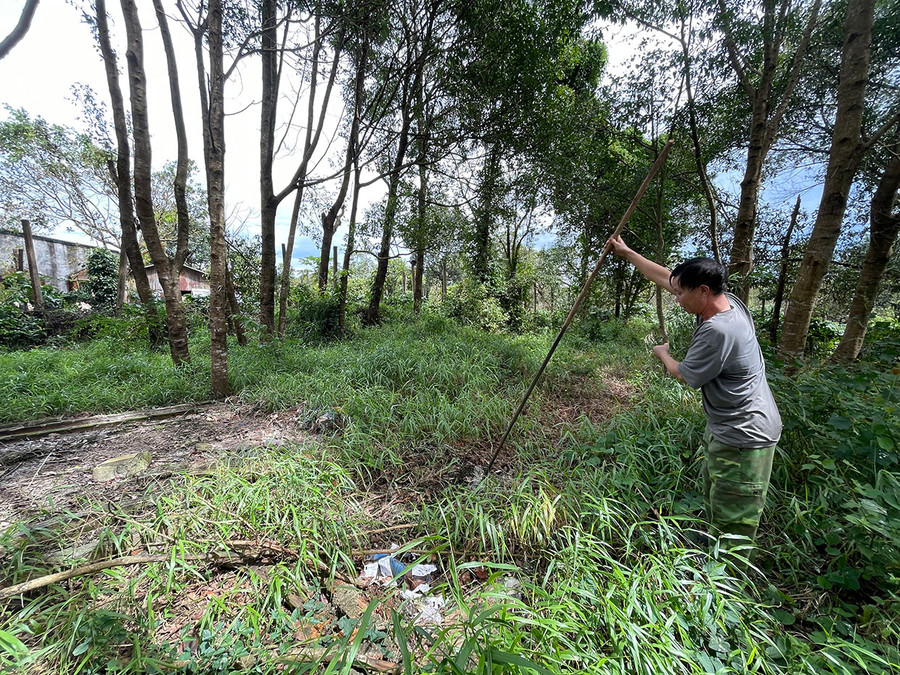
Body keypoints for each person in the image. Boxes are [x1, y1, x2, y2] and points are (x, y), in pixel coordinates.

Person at [605, 235, 782, 546]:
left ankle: (728, 581)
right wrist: (628, 252)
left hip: (745, 434)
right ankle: (712, 552)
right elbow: (667, 278)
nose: (677, 299)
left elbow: (684, 375)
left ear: (703, 291)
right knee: (719, 494)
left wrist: (662, 353)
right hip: (730, 427)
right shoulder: (727, 303)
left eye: (681, 293)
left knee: (735, 517)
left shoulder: (719, 330)